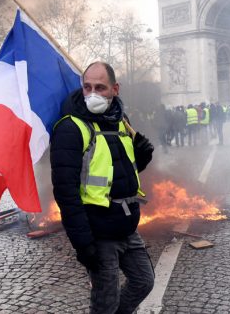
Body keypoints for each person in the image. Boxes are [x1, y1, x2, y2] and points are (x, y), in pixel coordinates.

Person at [51, 62, 155, 314]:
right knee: (105, 301)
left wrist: (142, 157)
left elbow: (119, 173)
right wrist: (82, 242)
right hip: (98, 232)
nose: (92, 94)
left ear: (115, 89)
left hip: (126, 225)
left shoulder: (121, 122)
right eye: (87, 87)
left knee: (144, 281)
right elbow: (66, 192)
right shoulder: (70, 128)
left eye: (100, 87)